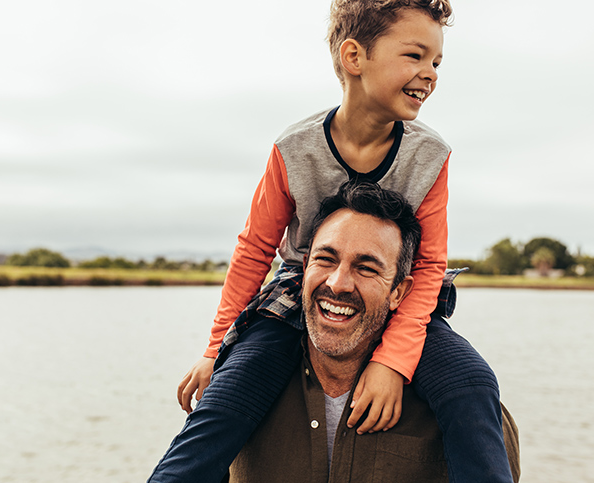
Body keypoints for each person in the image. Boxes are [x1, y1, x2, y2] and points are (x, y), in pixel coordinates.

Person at [149, 1, 513, 481]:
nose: (430, 73)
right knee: (228, 398)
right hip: (299, 291)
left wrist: (391, 362)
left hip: (403, 298)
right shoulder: (293, 150)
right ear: (354, 57)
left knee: (471, 383)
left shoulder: (431, 155)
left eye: (437, 62)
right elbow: (255, 249)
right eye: (415, 56)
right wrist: (217, 348)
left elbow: (426, 268)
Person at [228, 181, 520, 482]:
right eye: (325, 259)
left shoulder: (465, 409)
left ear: (399, 291)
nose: (338, 283)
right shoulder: (238, 393)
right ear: (303, 269)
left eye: (366, 268)